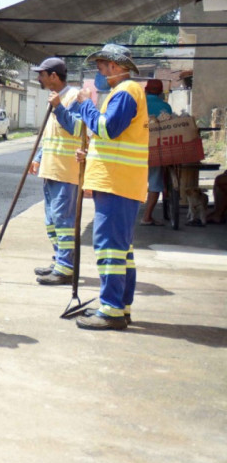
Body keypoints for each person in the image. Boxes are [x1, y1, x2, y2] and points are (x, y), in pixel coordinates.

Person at [52, 44, 148, 330]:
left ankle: (111, 310)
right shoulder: (125, 92)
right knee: (121, 251)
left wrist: (83, 105)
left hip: (117, 183)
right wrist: (91, 152)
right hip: (120, 182)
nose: (99, 72)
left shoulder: (125, 92)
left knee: (110, 249)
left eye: (103, 66)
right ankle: (120, 306)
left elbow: (107, 128)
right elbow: (111, 138)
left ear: (116, 67)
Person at [28, 57, 84, 285]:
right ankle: (59, 260)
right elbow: (52, 134)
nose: (38, 78)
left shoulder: (75, 97)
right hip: (51, 169)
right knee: (51, 220)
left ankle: (66, 268)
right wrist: (39, 157)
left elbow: (77, 128)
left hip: (66, 171)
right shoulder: (55, 99)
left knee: (63, 219)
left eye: (41, 74)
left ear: (53, 76)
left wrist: (59, 107)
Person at [140, 79, 173, 226]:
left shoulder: (138, 104)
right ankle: (147, 217)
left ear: (146, 90)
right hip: (156, 149)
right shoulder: (165, 106)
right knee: (154, 182)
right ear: (160, 92)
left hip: (135, 149)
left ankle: (126, 214)